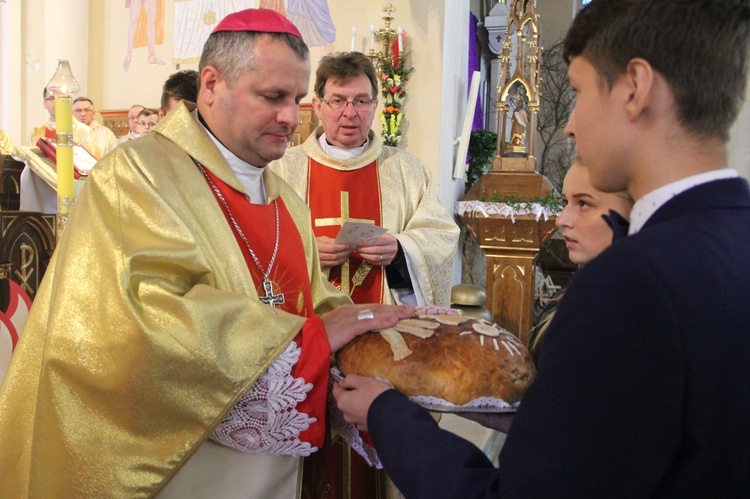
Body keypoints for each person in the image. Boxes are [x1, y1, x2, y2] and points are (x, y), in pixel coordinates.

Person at [334, 0, 750, 496]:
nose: (569, 124)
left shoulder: (628, 281)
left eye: (577, 91)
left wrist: (387, 414)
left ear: (635, 88)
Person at [0, 9, 414, 497]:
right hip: (181, 472)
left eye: (298, 99)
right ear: (212, 85)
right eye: (273, 97)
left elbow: (314, 300)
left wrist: (368, 346)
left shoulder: (286, 200)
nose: (290, 116)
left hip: (278, 471)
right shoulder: (136, 176)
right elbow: (143, 320)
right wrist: (308, 339)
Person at [271, 51, 459, 308]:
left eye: (361, 101)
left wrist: (400, 250)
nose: (350, 113)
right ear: (318, 107)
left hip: (386, 326)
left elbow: (440, 237)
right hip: (309, 323)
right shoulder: (280, 170)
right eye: (338, 100)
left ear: (374, 105)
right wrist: (305, 250)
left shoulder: (409, 171)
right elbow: (255, 240)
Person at [529, 155, 633, 362]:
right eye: (566, 202)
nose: (562, 221)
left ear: (634, 211)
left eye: (584, 203)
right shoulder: (567, 299)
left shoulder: (633, 317)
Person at [22, 86, 94, 213]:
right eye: (51, 98)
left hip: (72, 187)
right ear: (45, 103)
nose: (56, 102)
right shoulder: (37, 132)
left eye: (60, 98)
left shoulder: (83, 131)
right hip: (42, 188)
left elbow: (90, 163)